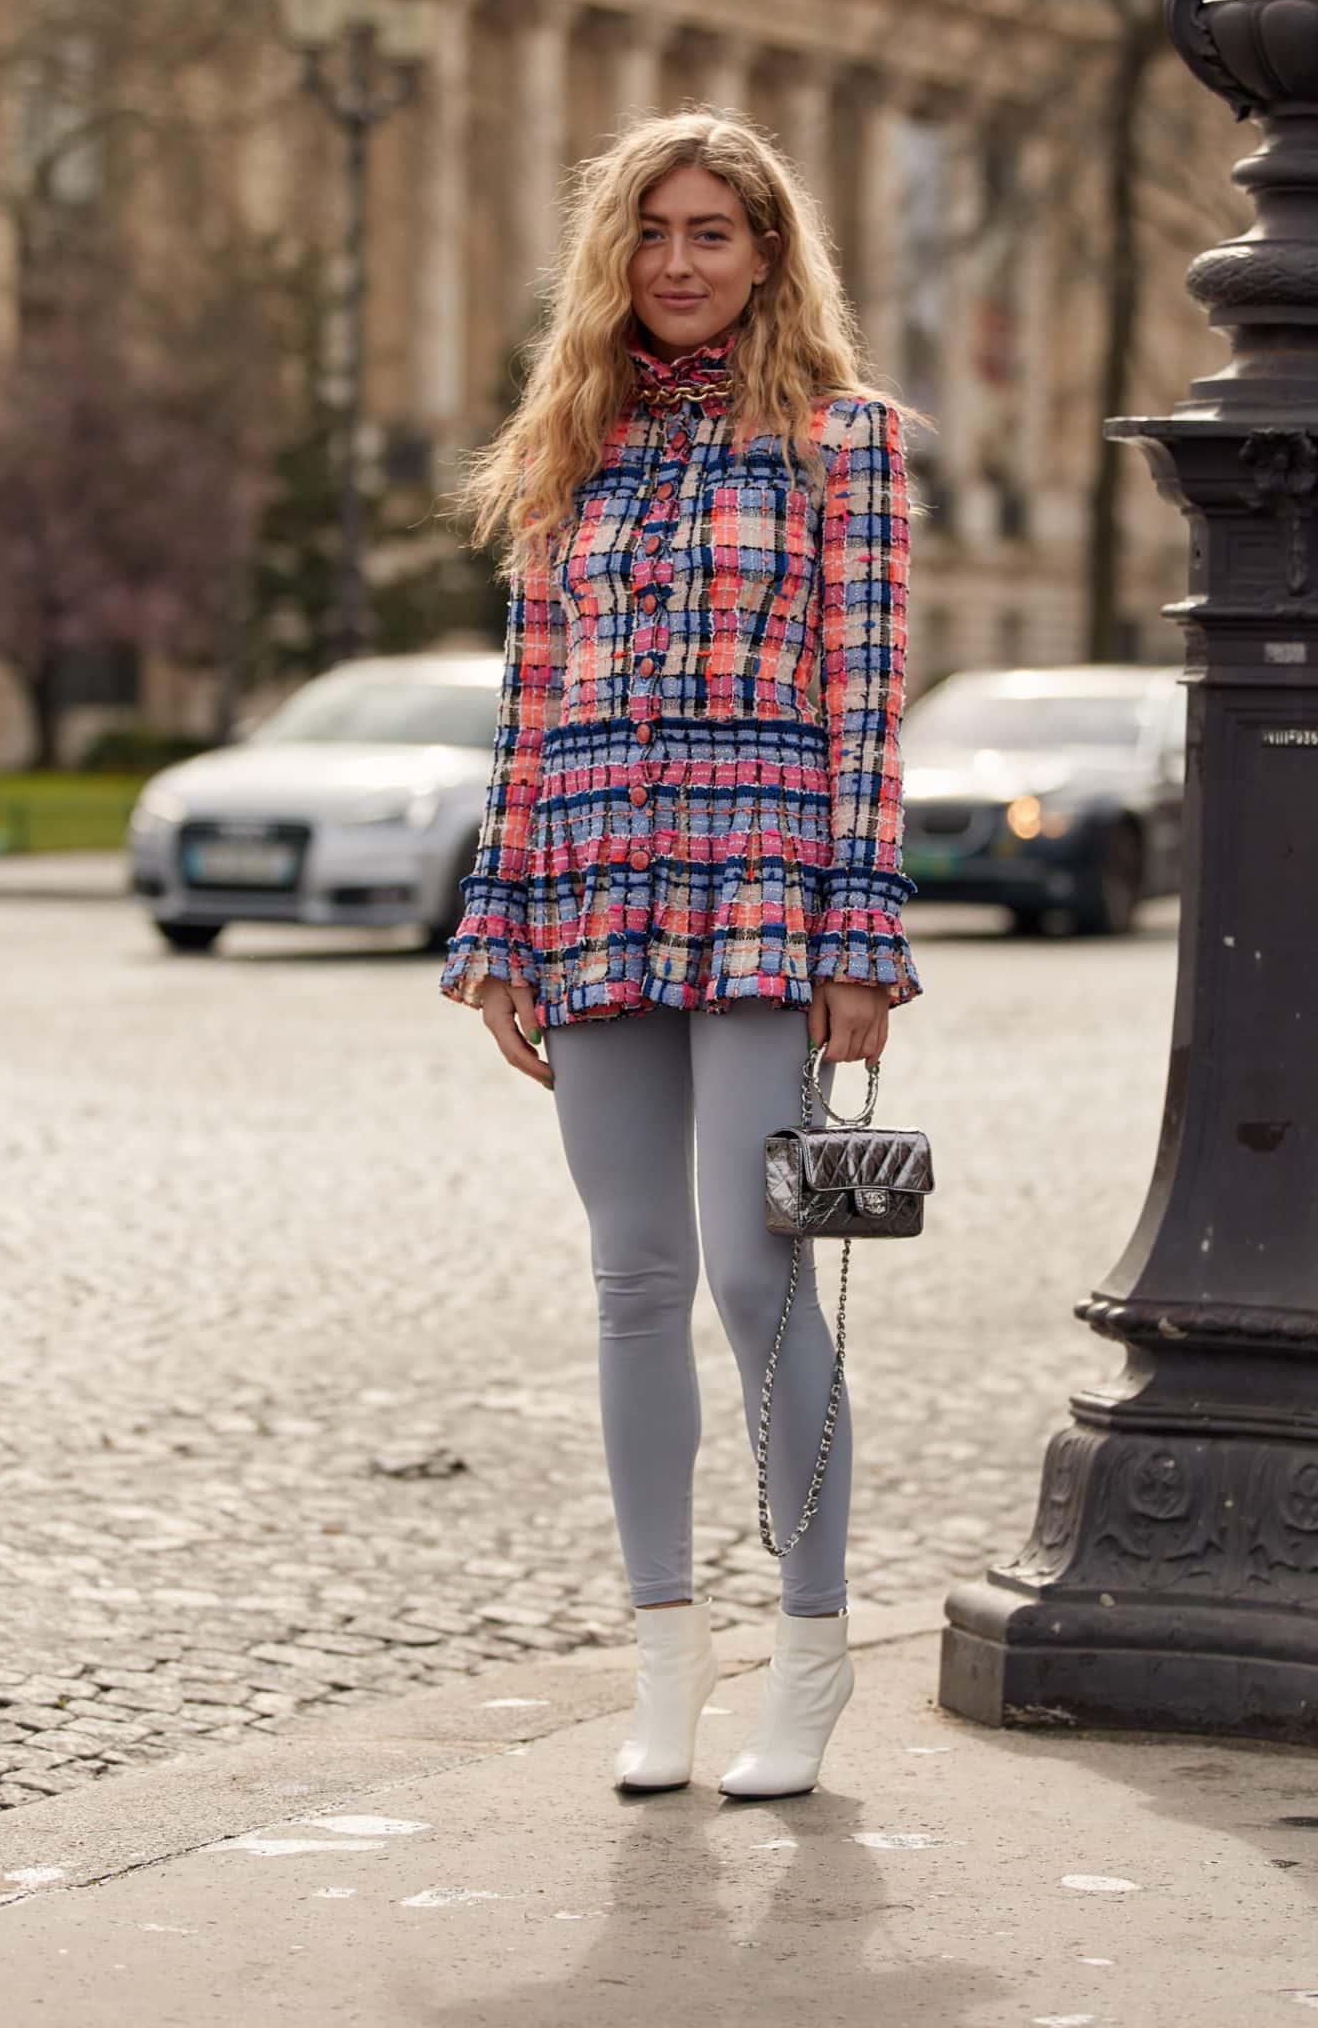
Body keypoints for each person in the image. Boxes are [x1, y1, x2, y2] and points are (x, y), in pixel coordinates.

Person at [440, 109, 920, 1799]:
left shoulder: (844, 444)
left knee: (751, 1272)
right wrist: (496, 923)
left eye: (712, 231)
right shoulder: (566, 446)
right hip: (590, 883)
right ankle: (664, 1657)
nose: (678, 262)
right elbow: (529, 709)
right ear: (613, 254)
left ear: (769, 253)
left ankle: (811, 1644)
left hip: (763, 885)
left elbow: (867, 703)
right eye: (651, 232)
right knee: (631, 1279)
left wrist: (862, 934)